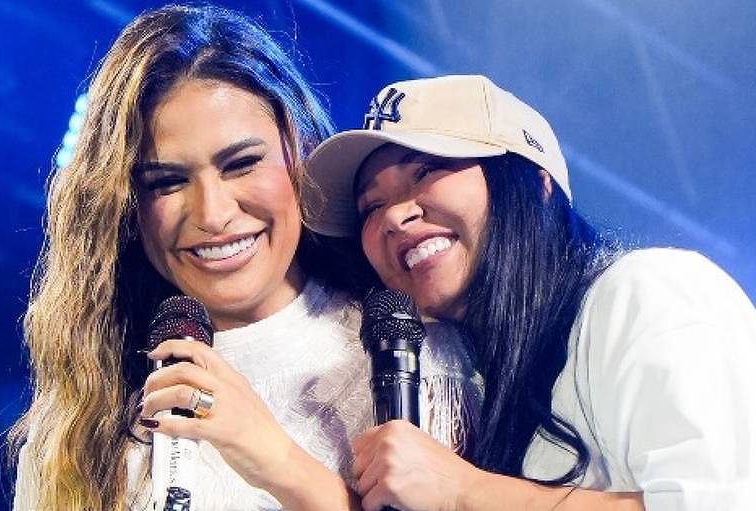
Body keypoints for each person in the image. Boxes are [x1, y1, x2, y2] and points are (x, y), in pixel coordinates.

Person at [9, 8, 480, 511]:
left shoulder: (417, 362)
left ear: (298, 154)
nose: (212, 214)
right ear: (127, 208)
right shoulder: (82, 428)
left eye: (242, 164)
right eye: (167, 182)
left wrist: (272, 457)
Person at [303, 74, 756, 510]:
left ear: (536, 185)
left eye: (426, 171)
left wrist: (463, 491)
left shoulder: (648, 291)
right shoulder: (477, 387)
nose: (394, 217)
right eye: (372, 206)